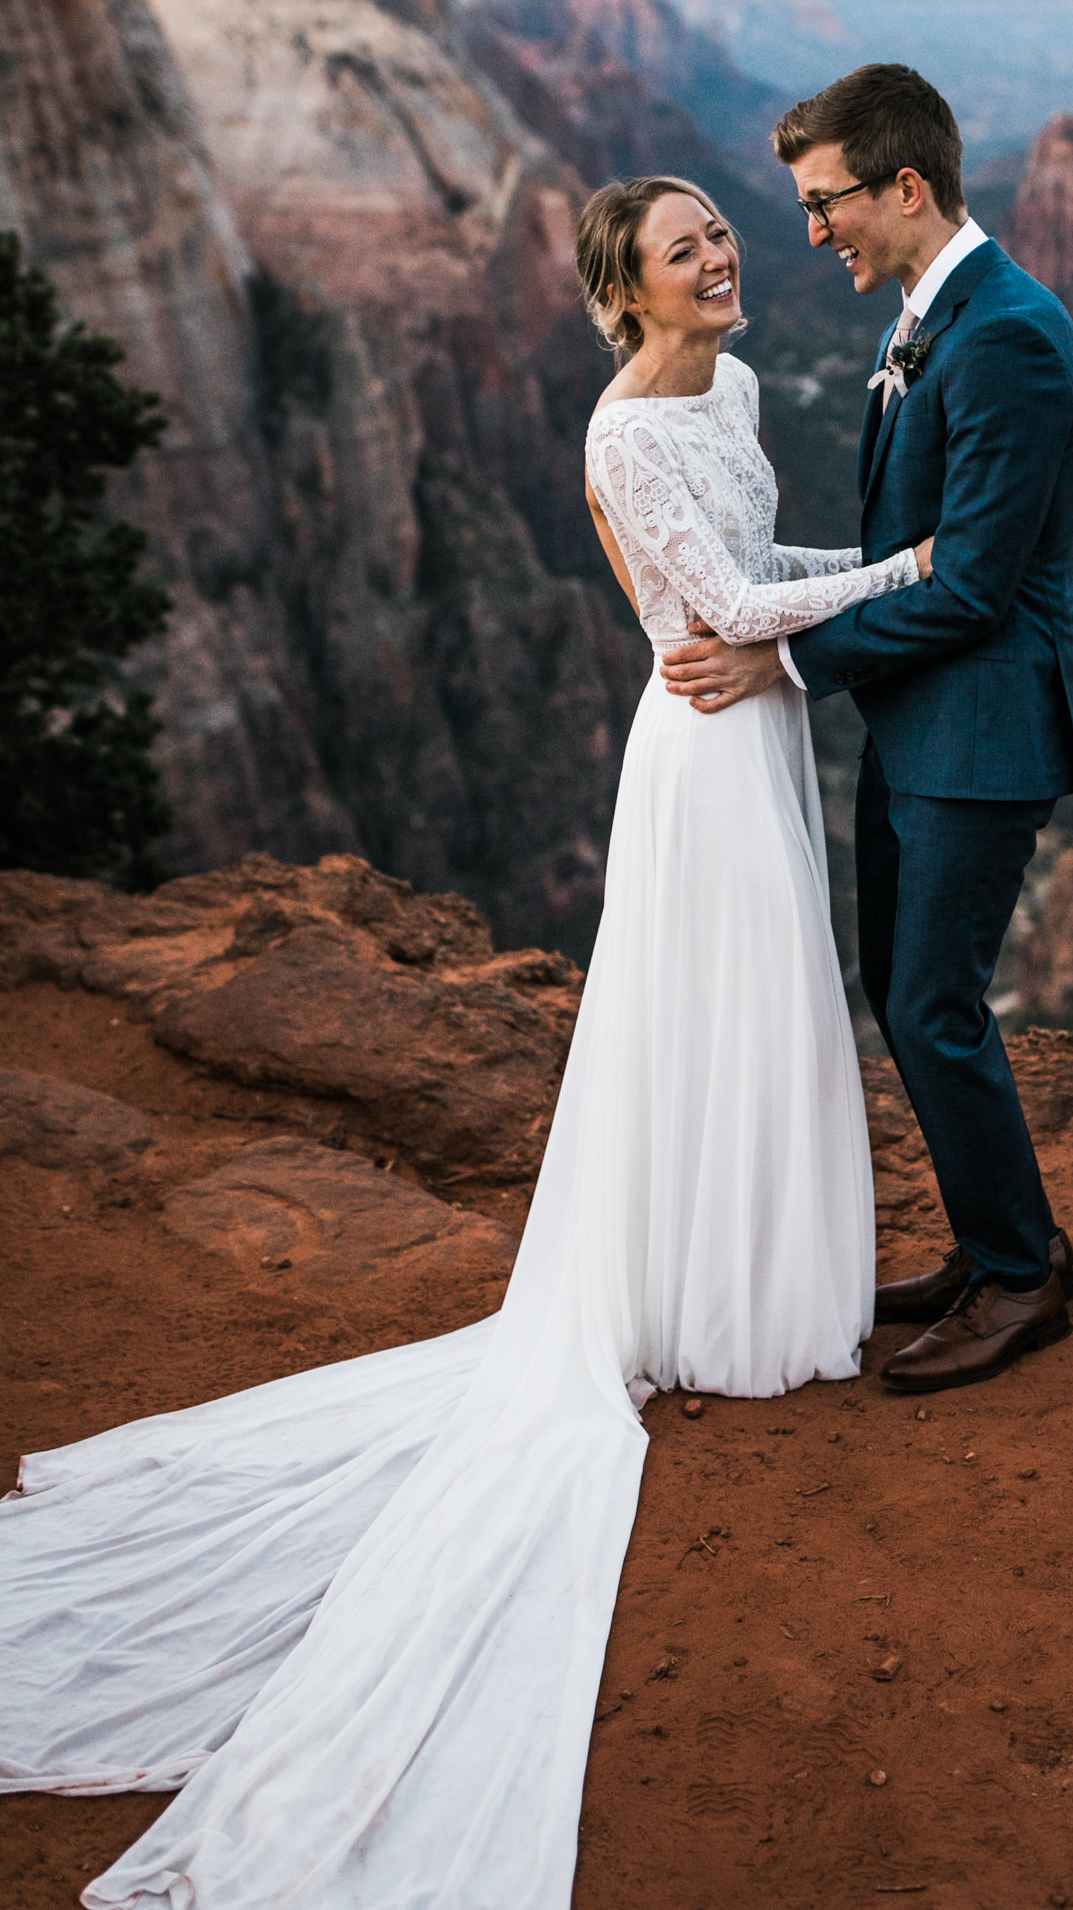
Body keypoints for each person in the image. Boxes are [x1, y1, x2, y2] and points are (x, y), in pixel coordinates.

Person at [0, 175, 930, 1910]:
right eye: (688, 251)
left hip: (756, 734)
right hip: (708, 765)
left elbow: (756, 584)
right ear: (624, 292)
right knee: (718, 1023)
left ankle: (739, 1275)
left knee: (769, 1016)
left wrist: (836, 588)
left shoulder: (726, 392)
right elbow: (721, 602)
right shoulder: (625, 434)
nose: (724, 259)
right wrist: (914, 570)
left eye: (728, 232)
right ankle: (713, 1300)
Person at [661, 63, 1073, 1395]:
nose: (810, 232)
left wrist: (782, 659)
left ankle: (1025, 1278)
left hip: (982, 729)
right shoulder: (931, 315)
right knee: (902, 997)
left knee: (934, 1003)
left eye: (825, 202)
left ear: (907, 187)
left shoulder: (1006, 335)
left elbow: (968, 584)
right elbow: (900, 551)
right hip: (916, 722)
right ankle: (991, 1242)